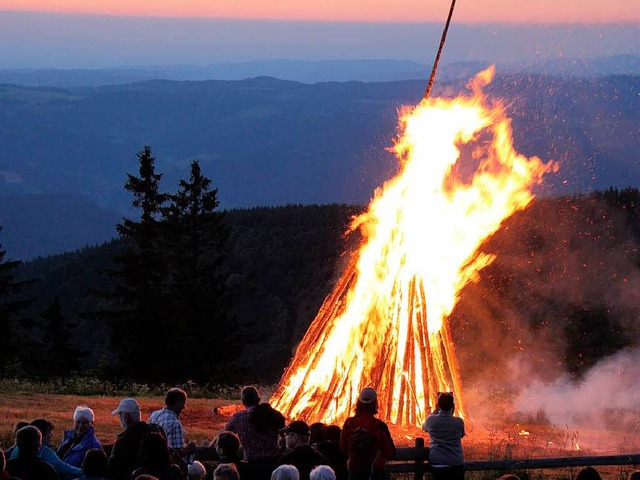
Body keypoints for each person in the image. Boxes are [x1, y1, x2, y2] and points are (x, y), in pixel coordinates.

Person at [225, 386, 285, 479]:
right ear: (258, 399)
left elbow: (225, 433)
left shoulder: (239, 418)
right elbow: (284, 434)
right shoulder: (273, 414)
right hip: (273, 464)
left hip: (251, 464)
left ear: (243, 401)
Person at [340, 387, 395, 480]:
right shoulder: (380, 426)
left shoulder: (349, 424)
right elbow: (390, 453)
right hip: (374, 472)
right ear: (375, 404)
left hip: (354, 472)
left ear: (359, 403)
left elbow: (342, 448)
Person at [108, 398, 165, 480]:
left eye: (120, 415)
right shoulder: (156, 430)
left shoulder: (124, 440)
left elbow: (113, 469)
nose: (119, 418)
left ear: (126, 417)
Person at [9, 419, 83, 479]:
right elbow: (63, 468)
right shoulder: (45, 452)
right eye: (49, 432)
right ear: (40, 435)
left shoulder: (15, 450)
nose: (51, 435)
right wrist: (83, 472)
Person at [422, 392, 465, 480]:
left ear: (438, 405)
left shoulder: (431, 420)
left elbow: (424, 427)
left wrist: (435, 410)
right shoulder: (459, 422)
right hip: (455, 463)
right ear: (453, 405)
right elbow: (461, 435)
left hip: (437, 463)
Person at [149, 388, 195, 458]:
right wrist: (188, 448)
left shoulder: (154, 415)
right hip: (166, 464)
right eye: (183, 403)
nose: (183, 407)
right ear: (178, 403)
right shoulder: (174, 424)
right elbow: (176, 455)